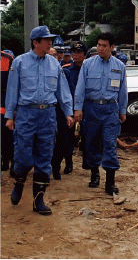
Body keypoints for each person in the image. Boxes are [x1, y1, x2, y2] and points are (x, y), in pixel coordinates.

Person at [5, 26, 74, 215]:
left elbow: (62, 90)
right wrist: (10, 116)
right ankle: (19, 182)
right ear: (36, 42)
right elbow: (12, 90)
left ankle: (38, 200)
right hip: (26, 114)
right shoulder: (20, 63)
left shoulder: (54, 64)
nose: (50, 42)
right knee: (23, 155)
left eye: (50, 39)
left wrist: (68, 112)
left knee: (45, 156)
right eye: (46, 39)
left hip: (48, 115)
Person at [74, 32, 128, 195]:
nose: (100, 48)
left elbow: (123, 91)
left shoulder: (119, 66)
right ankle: (94, 174)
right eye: (98, 45)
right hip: (92, 109)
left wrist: (123, 110)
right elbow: (80, 87)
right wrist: (78, 108)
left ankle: (110, 182)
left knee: (110, 144)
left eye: (104, 46)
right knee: (92, 143)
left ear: (112, 47)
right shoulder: (88, 64)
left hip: (111, 110)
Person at [51, 42, 88, 180]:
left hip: (85, 109)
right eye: (74, 52)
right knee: (64, 138)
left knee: (85, 136)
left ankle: (85, 162)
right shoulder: (65, 69)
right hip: (67, 109)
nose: (76, 55)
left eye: (79, 52)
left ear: (85, 55)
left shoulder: (88, 69)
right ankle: (65, 163)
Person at [1, 50, 15, 176]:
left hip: (4, 103)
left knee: (8, 135)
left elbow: (13, 85)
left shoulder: (7, 59)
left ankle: (12, 163)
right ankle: (4, 161)